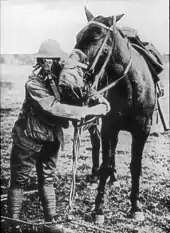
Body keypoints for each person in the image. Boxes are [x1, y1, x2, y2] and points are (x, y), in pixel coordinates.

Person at [7, 39, 110, 233]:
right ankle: (13, 223)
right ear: (42, 61)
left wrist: (99, 100)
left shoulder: (62, 78)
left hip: (51, 138)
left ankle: (51, 222)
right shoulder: (33, 84)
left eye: (54, 59)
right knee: (19, 180)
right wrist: (88, 111)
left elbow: (81, 90)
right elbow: (54, 107)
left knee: (47, 179)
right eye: (48, 60)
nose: (52, 63)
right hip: (27, 137)